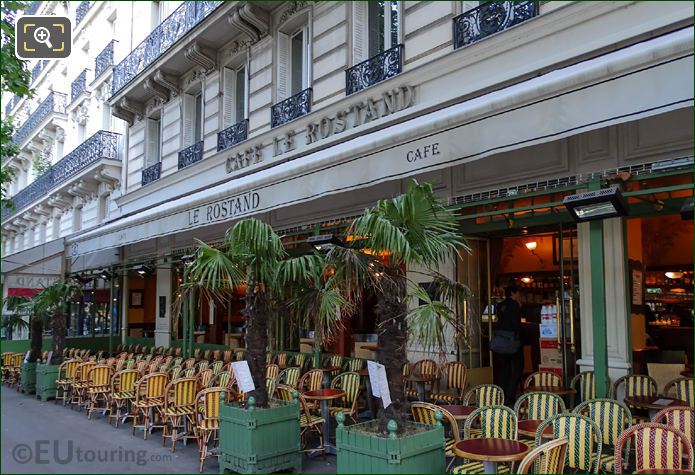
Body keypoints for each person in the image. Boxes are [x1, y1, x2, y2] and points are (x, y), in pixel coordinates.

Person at [493, 284, 524, 406]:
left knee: (504, 370)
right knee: (517, 368)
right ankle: (510, 396)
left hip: (500, 342)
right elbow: (517, 324)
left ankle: (503, 394)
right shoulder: (515, 305)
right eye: (518, 293)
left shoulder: (500, 305)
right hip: (512, 341)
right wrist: (520, 339)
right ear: (513, 293)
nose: (519, 296)